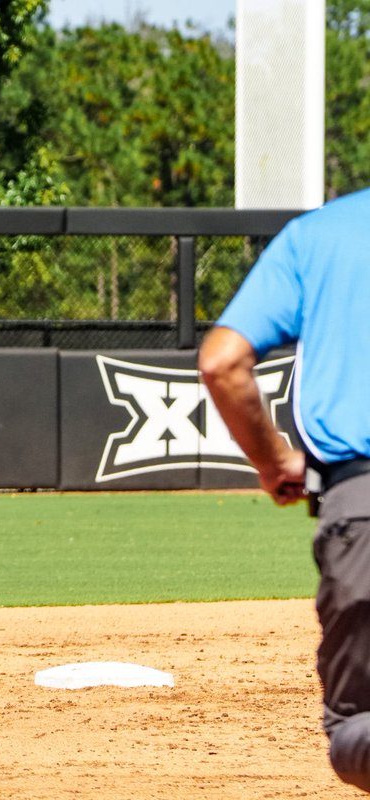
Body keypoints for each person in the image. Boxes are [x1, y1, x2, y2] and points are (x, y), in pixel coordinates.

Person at [198, 187, 370, 792]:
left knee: (358, 734)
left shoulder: (321, 234)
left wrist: (274, 464)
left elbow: (222, 362)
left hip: (361, 505)